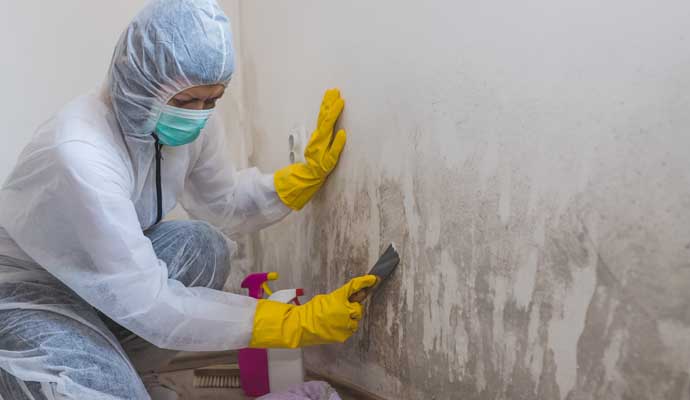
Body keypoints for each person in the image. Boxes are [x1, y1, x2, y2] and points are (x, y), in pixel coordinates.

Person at [0, 0, 376, 398]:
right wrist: (290, 322)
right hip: (29, 292)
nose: (198, 115)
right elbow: (151, 303)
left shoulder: (188, 124)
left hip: (104, 281)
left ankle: (128, 372)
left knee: (203, 247)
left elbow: (223, 203)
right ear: (139, 82)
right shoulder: (80, 151)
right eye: (185, 102)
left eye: (212, 100)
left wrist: (296, 181)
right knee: (107, 390)